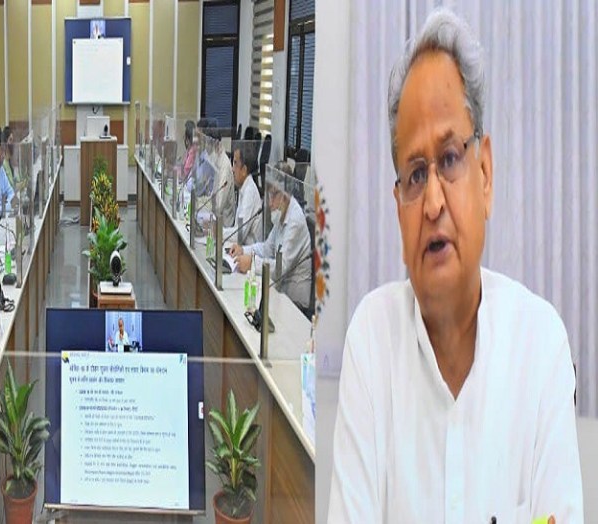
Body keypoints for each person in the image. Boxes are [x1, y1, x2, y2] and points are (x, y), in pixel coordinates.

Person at [329, 8, 582, 523]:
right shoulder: (372, 342)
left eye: (448, 159)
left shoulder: (541, 347)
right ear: (398, 205)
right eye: (415, 175)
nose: (432, 203)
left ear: (484, 174)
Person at [229, 162, 312, 310]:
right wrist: (243, 250)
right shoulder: (282, 212)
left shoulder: (295, 221)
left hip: (295, 303)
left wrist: (252, 263)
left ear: (286, 193)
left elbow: (281, 268)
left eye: (274, 195)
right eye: (269, 194)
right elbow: (267, 249)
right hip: (280, 290)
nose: (270, 202)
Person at [223, 141, 263, 245]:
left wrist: (219, 232)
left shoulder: (249, 192)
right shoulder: (244, 188)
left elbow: (239, 235)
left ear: (244, 170)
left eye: (235, 163)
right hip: (240, 248)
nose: (232, 169)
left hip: (248, 251)